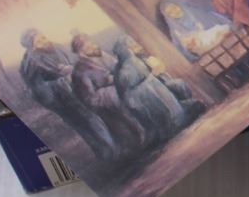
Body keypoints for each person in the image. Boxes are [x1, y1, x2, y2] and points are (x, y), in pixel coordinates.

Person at [16, 28, 116, 160]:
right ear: (32, 47)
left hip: (71, 90)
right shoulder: (33, 61)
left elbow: (71, 62)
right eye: (39, 41)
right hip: (58, 98)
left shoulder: (56, 47)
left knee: (91, 117)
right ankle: (105, 151)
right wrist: (67, 77)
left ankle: (111, 148)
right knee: (81, 123)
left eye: (43, 37)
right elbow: (48, 79)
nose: (45, 41)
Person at [70, 33, 143, 160]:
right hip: (97, 97)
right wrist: (118, 80)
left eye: (90, 42)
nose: (92, 46)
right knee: (121, 100)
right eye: (87, 46)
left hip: (111, 86)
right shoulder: (81, 68)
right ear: (80, 51)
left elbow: (116, 67)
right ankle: (140, 136)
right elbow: (97, 87)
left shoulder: (100, 54)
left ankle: (146, 127)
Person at [112, 38, 187, 141]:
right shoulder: (120, 68)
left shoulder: (134, 57)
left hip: (151, 83)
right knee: (158, 110)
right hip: (141, 91)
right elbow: (124, 84)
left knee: (169, 102)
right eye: (126, 47)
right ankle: (168, 130)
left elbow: (147, 68)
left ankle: (179, 121)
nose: (130, 48)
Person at [138, 46, 207, 122]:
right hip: (157, 85)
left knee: (179, 83)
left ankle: (191, 103)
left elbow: (159, 69)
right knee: (177, 85)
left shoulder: (149, 60)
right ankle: (192, 106)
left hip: (161, 80)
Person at [158, 0, 232, 61]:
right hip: (202, 49)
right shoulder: (175, 30)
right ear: (168, 16)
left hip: (214, 39)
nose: (174, 12)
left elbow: (213, 18)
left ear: (178, 5)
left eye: (174, 7)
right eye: (170, 12)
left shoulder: (193, 12)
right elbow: (181, 49)